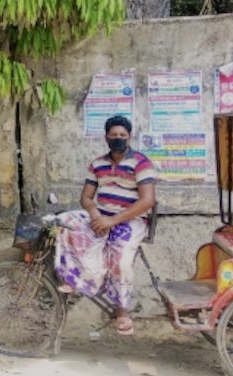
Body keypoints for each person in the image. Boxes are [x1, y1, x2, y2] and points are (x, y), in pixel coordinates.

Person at [53, 115, 157, 336]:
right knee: (64, 222)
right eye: (113, 135)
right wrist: (95, 216)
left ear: (129, 137)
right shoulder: (97, 164)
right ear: (106, 138)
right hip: (101, 215)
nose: (118, 138)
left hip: (131, 220)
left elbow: (147, 201)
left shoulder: (141, 163)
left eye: (122, 135)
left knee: (121, 261)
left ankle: (122, 313)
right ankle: (75, 279)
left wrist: (112, 221)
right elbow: (87, 197)